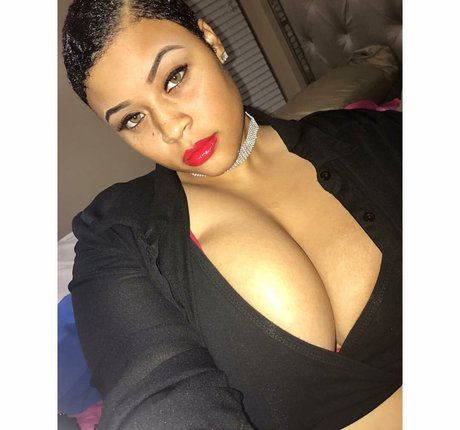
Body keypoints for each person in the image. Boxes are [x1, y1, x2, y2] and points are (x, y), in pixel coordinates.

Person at [62, 0, 402, 428]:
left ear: (211, 40)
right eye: (132, 119)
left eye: (174, 77)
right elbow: (151, 394)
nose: (171, 127)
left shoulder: (373, 138)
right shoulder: (114, 236)